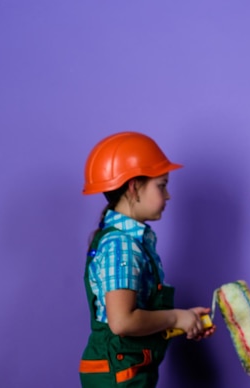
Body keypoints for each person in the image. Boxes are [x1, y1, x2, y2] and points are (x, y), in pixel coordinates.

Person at [79, 131, 215, 387]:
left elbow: (136, 315)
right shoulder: (122, 246)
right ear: (134, 187)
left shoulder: (130, 240)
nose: (168, 196)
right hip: (118, 377)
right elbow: (122, 321)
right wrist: (175, 318)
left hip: (129, 371)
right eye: (161, 186)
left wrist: (185, 319)